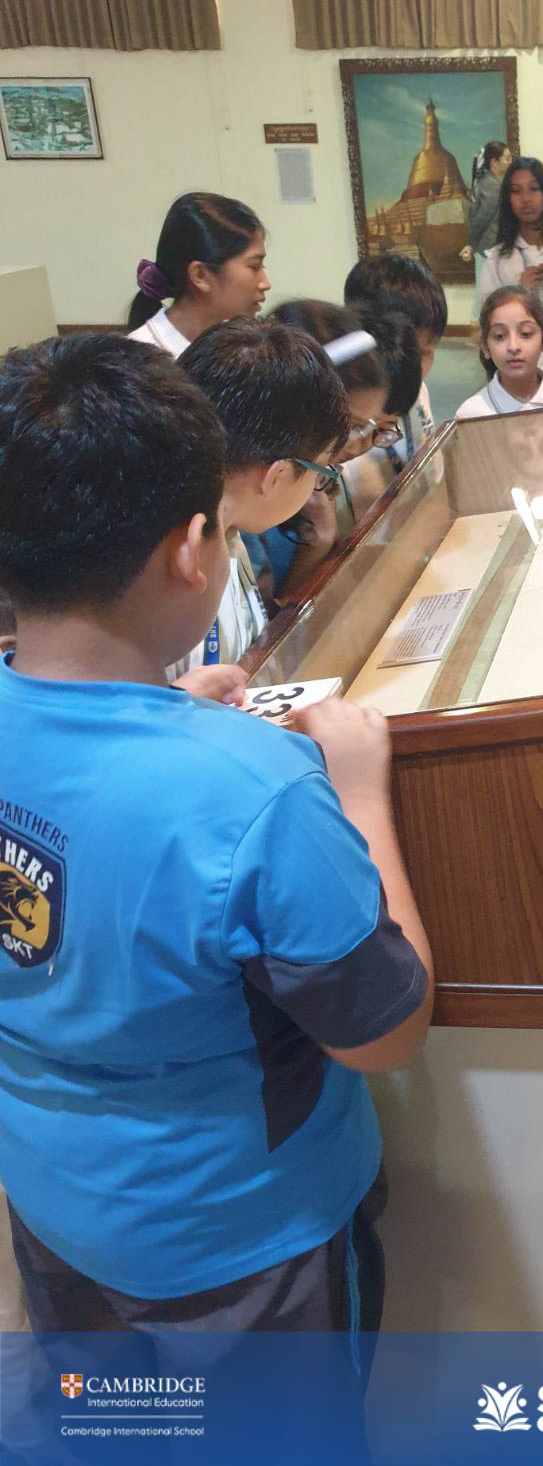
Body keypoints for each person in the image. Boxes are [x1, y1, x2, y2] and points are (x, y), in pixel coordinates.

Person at [0, 331, 432, 1333]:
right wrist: (361, 795)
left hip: (57, 1207)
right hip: (241, 1246)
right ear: (192, 550)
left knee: (108, 1412)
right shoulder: (256, 793)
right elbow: (386, 1033)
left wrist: (160, 706)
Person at [170, 317, 350, 675]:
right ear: (276, 475)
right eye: (322, 471)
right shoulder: (172, 575)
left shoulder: (228, 528)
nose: (319, 484)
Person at [263, 299, 421, 598]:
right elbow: (267, 617)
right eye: (354, 426)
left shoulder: (317, 480)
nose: (358, 443)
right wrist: (319, 539)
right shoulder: (254, 503)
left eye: (378, 430)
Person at [127, 191, 269, 356]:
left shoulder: (235, 349)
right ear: (200, 275)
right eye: (254, 266)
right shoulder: (139, 361)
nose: (265, 284)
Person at [343, 254, 446, 456]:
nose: (415, 370)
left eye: (426, 353)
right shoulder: (348, 414)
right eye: (409, 355)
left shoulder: (419, 391)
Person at [456, 286, 543, 419]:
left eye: (525, 334)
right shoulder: (471, 414)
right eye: (500, 336)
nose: (513, 347)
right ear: (485, 347)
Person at [478, 157, 543, 315]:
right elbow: (487, 317)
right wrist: (519, 295)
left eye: (534, 189)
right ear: (508, 199)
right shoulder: (497, 259)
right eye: (516, 191)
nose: (526, 199)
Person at [460, 140, 511, 315]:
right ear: (494, 162)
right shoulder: (492, 185)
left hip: (488, 246)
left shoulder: (490, 182)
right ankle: (479, 326)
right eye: (506, 158)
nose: (509, 162)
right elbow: (482, 218)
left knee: (487, 291)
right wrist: (471, 244)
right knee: (486, 293)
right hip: (488, 246)